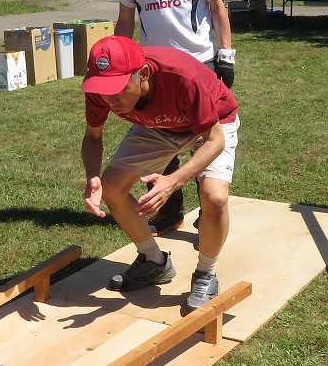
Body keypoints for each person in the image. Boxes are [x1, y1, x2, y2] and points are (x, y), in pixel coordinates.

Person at [79, 35, 239, 311]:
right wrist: (93, 175)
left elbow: (215, 141)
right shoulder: (100, 90)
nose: (110, 101)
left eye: (118, 90)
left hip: (213, 124)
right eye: (104, 91)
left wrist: (173, 181)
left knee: (214, 197)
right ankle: (154, 262)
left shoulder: (182, 78)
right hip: (156, 128)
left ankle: (205, 273)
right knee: (112, 187)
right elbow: (93, 137)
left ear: (143, 74)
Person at [113, 0, 234, 236]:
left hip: (200, 64)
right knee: (164, 137)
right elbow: (125, 21)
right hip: (153, 71)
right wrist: (119, 62)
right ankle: (170, 211)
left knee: (204, 137)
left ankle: (206, 209)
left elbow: (216, 5)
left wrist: (226, 55)